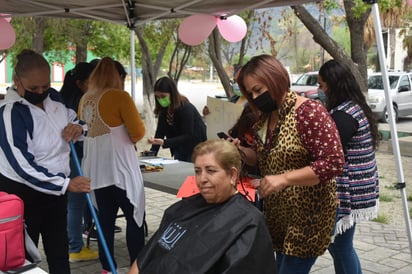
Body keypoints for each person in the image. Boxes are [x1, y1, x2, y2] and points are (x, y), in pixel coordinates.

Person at [235, 54, 345, 274]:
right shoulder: (267, 117)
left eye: (258, 89)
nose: (255, 97)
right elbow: (264, 157)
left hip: (308, 218)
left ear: (275, 79)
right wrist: (239, 151)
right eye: (251, 93)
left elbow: (333, 162)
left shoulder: (308, 112)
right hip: (279, 216)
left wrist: (284, 178)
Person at [0, 49, 91, 274]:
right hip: (21, 195)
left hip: (55, 193)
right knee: (20, 259)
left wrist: (78, 127)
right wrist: (65, 183)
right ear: (17, 81)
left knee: (59, 253)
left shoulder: (55, 99)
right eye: (33, 88)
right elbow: (22, 166)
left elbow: (78, 121)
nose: (41, 92)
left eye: (45, 86)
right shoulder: (10, 113)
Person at [128, 139, 278, 274]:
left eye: (211, 171)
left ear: (232, 175)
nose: (202, 179)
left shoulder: (249, 223)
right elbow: (145, 258)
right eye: (198, 171)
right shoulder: (182, 209)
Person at [78, 57, 146, 274]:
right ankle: (137, 266)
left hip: (96, 171)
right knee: (135, 218)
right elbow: (138, 132)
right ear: (119, 77)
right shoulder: (120, 97)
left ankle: (107, 268)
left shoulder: (85, 99)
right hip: (121, 170)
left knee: (104, 222)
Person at [318, 60, 380, 274]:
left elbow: (327, 152)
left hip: (348, 191)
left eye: (322, 84)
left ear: (333, 85)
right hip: (358, 187)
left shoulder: (344, 115)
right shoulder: (353, 106)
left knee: (340, 246)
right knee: (339, 246)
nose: (320, 90)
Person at [60, 62, 99, 262]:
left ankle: (74, 243)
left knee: (74, 203)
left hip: (69, 156)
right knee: (75, 202)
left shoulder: (64, 99)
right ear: (80, 82)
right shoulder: (80, 102)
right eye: (91, 81)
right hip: (76, 155)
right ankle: (75, 247)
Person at [148, 76, 206, 162]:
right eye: (157, 97)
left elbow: (188, 135)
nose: (160, 99)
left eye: (163, 96)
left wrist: (165, 142)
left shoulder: (186, 108)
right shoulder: (164, 109)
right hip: (179, 149)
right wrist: (152, 153)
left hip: (196, 149)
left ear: (172, 94)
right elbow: (160, 131)